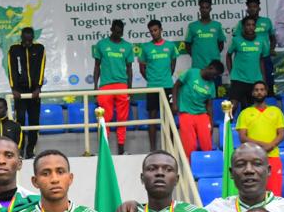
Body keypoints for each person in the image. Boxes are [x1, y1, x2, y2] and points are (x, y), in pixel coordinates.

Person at [236, 81, 284, 195]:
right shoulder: (245, 113)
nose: (259, 92)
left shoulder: (276, 111)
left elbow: (281, 134)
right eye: (256, 90)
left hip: (273, 157)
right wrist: (262, 146)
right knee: (254, 194)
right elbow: (243, 137)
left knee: (274, 194)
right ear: (252, 93)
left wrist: (271, 145)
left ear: (266, 92)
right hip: (253, 159)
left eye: (262, 89)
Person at [93, 20, 135, 154]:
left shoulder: (128, 46)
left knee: (122, 119)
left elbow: (129, 69)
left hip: (122, 85)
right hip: (105, 86)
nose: (118, 33)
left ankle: (121, 149)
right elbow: (97, 66)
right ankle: (104, 149)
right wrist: (95, 87)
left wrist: (130, 88)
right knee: (105, 118)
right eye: (116, 30)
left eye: (120, 31)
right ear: (111, 29)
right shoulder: (101, 44)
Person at [138, 20, 179, 150]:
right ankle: (153, 149)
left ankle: (171, 148)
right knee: (153, 117)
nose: (153, 33)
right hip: (153, 87)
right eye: (151, 31)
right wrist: (152, 79)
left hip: (168, 86)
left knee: (170, 117)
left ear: (161, 29)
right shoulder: (145, 48)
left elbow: (173, 64)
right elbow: (142, 68)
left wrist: (165, 78)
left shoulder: (170, 46)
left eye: (156, 30)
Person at [172, 61, 225, 160]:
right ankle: (190, 169)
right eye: (214, 74)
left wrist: (211, 122)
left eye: (216, 76)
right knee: (189, 145)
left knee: (207, 144)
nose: (214, 78)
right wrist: (175, 104)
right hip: (186, 113)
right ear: (210, 67)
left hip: (202, 114)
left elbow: (209, 105)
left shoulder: (211, 85)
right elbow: (176, 86)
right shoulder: (192, 73)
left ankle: (207, 165)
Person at [8, 26, 47, 158]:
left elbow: (41, 68)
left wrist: (38, 88)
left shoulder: (39, 48)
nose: (27, 43)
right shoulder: (14, 50)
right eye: (25, 40)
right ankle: (19, 149)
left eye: (29, 41)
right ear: (21, 38)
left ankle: (30, 150)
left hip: (34, 91)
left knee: (34, 121)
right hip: (20, 91)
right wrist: (14, 88)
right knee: (19, 121)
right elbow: (12, 69)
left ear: (33, 39)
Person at [233, 0, 277, 93]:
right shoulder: (242, 24)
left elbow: (273, 38)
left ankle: (269, 97)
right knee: (249, 81)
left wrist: (271, 49)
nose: (252, 9)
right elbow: (236, 39)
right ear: (247, 9)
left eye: (255, 6)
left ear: (259, 8)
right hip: (249, 57)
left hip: (264, 56)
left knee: (268, 78)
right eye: (250, 7)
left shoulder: (267, 21)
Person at [228, 17, 269, 108]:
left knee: (252, 109)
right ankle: (227, 123)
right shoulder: (236, 40)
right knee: (231, 106)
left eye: (253, 25)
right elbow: (228, 55)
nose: (250, 27)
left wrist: (263, 79)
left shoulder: (261, 40)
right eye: (248, 25)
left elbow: (261, 59)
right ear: (243, 27)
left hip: (255, 80)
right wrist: (231, 73)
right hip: (238, 79)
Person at [185, 0, 226, 80]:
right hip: (198, 67)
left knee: (215, 91)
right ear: (199, 9)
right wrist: (196, 56)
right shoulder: (192, 26)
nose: (204, 10)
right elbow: (187, 44)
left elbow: (221, 44)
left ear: (210, 9)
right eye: (202, 8)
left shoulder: (217, 25)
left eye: (207, 7)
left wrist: (213, 53)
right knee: (198, 91)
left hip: (214, 67)